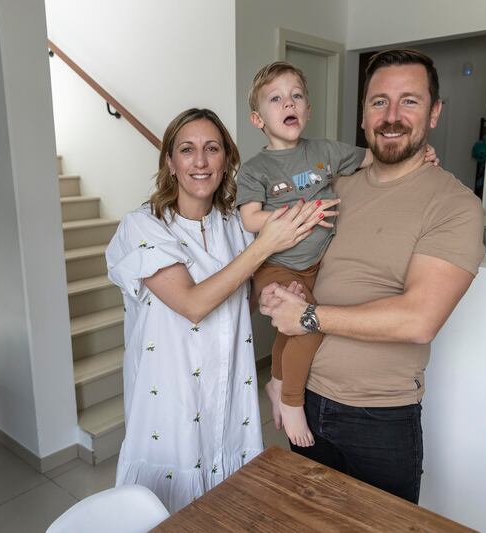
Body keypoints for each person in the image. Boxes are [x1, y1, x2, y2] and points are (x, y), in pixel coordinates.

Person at [259, 49, 485, 504]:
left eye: (410, 101)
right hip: (306, 400)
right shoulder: (334, 186)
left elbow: (418, 319)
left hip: (379, 418)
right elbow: (286, 247)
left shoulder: (454, 204)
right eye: (379, 102)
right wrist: (273, 292)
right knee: (307, 522)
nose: (392, 116)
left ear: (435, 112)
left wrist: (307, 317)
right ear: (363, 115)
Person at [105, 108, 336, 513]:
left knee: (229, 510)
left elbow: (237, 298)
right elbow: (193, 305)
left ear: (227, 159)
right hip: (170, 403)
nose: (200, 161)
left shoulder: (234, 223)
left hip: (229, 395)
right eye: (187, 150)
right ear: (170, 163)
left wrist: (266, 297)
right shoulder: (143, 226)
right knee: (168, 512)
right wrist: (266, 244)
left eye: (212, 149)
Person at [236, 61, 438, 448]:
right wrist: (296, 215)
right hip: (278, 265)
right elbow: (249, 220)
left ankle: (276, 383)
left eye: (296, 96)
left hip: (315, 266)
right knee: (308, 328)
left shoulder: (324, 151)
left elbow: (373, 158)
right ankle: (291, 400)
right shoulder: (256, 168)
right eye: (276, 99)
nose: (288, 103)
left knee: (291, 326)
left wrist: (420, 154)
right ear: (258, 119)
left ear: (308, 109)